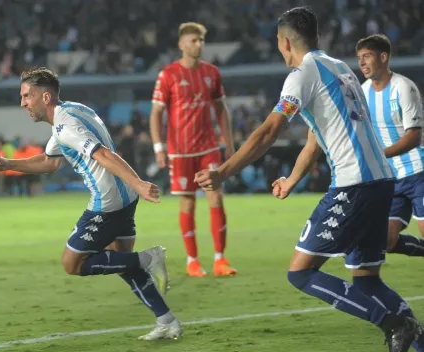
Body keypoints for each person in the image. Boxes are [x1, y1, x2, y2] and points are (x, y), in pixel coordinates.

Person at [195, 7, 422, 351]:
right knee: (366, 280)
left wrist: (223, 172)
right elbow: (315, 140)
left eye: (277, 42)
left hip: (354, 185)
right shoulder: (340, 68)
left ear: (285, 41)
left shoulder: (303, 74)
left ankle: (392, 324)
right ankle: (415, 338)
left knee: (300, 272)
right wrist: (291, 181)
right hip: (382, 182)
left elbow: (270, 130)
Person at [0, 67, 183, 340]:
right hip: (125, 199)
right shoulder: (72, 111)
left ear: (46, 97)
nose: (23, 103)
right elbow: (50, 161)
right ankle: (167, 321)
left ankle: (149, 257)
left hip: (107, 201)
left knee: (72, 263)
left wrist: (139, 183)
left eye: (27, 96)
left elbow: (104, 154)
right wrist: (9, 164)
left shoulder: (65, 126)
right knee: (122, 262)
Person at [150, 22, 236, 277]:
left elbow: (221, 109)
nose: (199, 44)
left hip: (208, 147)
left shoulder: (212, 73)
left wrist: (229, 145)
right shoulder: (168, 75)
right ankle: (193, 261)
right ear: (182, 44)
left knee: (216, 197)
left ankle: (220, 259)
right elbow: (156, 113)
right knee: (187, 204)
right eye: (194, 40)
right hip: (180, 151)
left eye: (201, 40)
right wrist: (159, 147)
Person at [357, 34, 424, 257]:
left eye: (367, 56)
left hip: (419, 171)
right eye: (359, 58)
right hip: (392, 177)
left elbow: (413, 136)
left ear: (383, 57)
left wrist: (378, 155)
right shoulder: (363, 92)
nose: (362, 63)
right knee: (384, 239)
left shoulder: (404, 88)